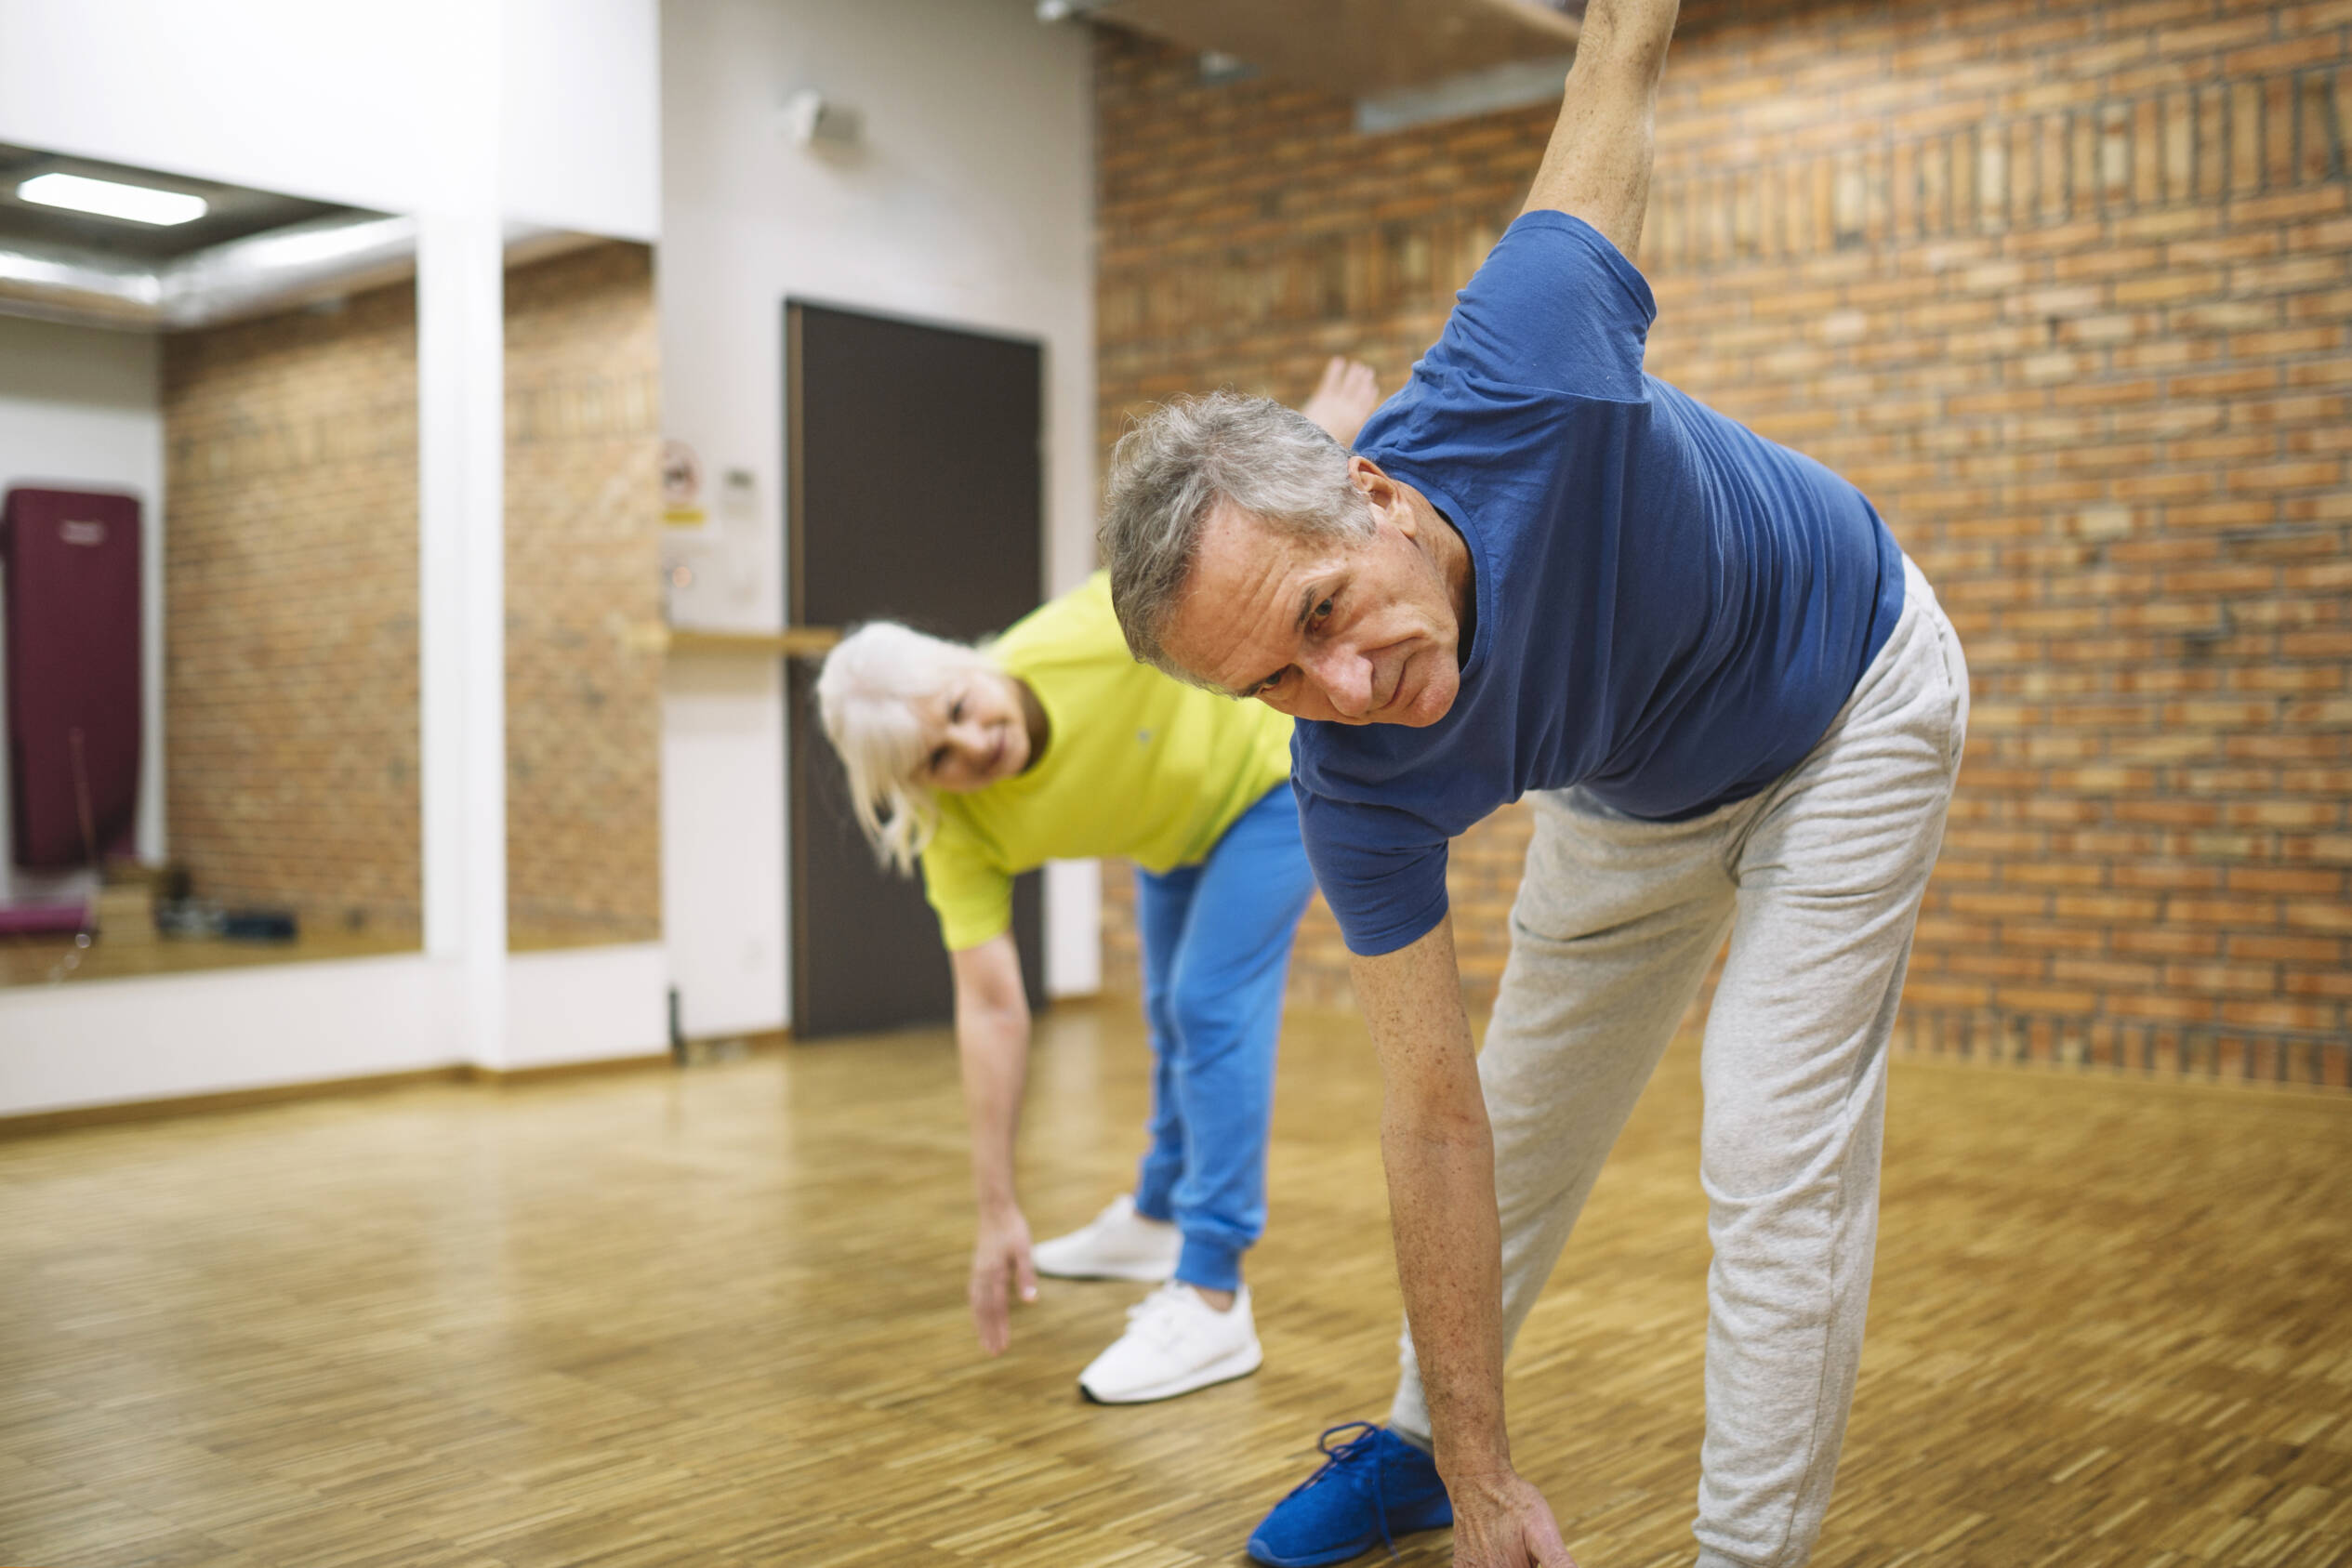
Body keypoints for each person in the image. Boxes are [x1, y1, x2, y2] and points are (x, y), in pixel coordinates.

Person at [1095, 1, 1967, 1561]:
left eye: (1321, 615)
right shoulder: (1348, 778)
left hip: (1850, 696)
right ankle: (1434, 1454)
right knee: (1507, 1112)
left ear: (1368, 492)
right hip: (1634, 789)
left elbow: (1620, 45)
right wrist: (1502, 1481)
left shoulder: (1537, 351)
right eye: (1274, 683)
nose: (1343, 691)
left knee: (1768, 1141)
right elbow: (1431, 1123)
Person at [815, 359, 1382, 1405]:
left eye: (956, 705)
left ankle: (1212, 1294)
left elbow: (1222, 532)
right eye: (935, 756)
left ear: (964, 659)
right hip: (1171, 836)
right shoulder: (959, 831)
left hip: (1263, 790)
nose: (970, 742)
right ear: (916, 786)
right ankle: (1157, 1212)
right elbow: (990, 1010)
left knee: (1210, 1003)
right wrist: (997, 1209)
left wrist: (1315, 432)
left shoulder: (1085, 629)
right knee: (1170, 1009)